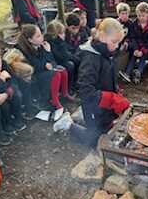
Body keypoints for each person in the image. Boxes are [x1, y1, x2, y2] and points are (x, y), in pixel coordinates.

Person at [53, 18, 130, 147]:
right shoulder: (91, 58)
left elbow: (106, 75)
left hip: (103, 106)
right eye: (114, 42)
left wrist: (115, 90)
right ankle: (68, 124)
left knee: (107, 127)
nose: (117, 46)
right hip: (93, 107)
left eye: (118, 42)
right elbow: (85, 91)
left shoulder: (105, 51)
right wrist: (112, 98)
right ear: (102, 36)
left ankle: (101, 124)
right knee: (93, 141)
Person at [16, 24, 74, 111]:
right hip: (33, 73)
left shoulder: (40, 45)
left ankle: (65, 94)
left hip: (42, 69)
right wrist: (45, 63)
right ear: (30, 39)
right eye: (38, 36)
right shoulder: (24, 49)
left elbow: (50, 61)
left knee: (63, 70)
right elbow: (34, 64)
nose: (42, 37)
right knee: (56, 74)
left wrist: (48, 51)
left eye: (41, 34)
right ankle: (55, 101)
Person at [119, 2, 148, 84]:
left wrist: (142, 51)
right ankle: (127, 73)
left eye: (143, 15)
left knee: (143, 57)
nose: (141, 17)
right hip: (138, 46)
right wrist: (136, 49)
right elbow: (133, 37)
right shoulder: (135, 24)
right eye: (139, 15)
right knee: (133, 56)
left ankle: (138, 73)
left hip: (147, 47)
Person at [45, 20, 76, 94]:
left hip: (57, 61)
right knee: (69, 65)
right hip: (54, 63)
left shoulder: (57, 42)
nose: (64, 35)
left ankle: (71, 86)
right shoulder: (54, 43)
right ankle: (67, 88)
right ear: (56, 34)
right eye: (62, 33)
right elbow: (63, 57)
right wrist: (61, 44)